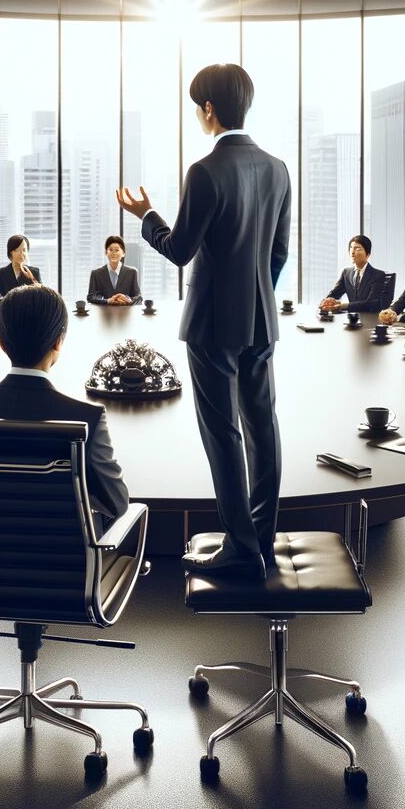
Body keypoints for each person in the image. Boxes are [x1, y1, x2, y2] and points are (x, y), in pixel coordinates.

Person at [117, 63, 289, 578]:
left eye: (198, 106)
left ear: (210, 109)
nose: (197, 114)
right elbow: (278, 253)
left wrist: (147, 216)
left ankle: (240, 550)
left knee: (223, 434)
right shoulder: (278, 168)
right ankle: (261, 534)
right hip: (260, 321)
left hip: (213, 326)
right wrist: (257, 297)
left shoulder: (206, 170)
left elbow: (180, 251)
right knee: (262, 425)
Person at [0, 284, 130, 527]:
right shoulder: (87, 418)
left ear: (1, 344)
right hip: (66, 561)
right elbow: (117, 503)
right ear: (58, 342)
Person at [319, 235, 388, 314]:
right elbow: (335, 294)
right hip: (352, 319)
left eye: (358, 248)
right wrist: (327, 302)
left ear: (368, 254)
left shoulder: (378, 275)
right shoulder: (346, 273)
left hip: (370, 318)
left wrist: (342, 305)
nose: (352, 252)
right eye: (351, 248)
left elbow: (371, 303)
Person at [87, 235, 142, 305]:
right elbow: (91, 297)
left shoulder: (132, 272)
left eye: (117, 250)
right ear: (106, 252)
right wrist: (107, 300)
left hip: (125, 313)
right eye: (110, 250)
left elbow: (138, 297)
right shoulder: (96, 273)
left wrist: (128, 299)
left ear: (123, 253)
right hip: (104, 313)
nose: (114, 253)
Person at [0, 234, 42, 306]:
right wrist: (11, 305)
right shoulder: (1, 273)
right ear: (11, 252)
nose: (21, 254)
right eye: (17, 250)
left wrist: (32, 279)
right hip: (9, 314)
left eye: (24, 250)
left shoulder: (35, 272)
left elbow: (42, 297)